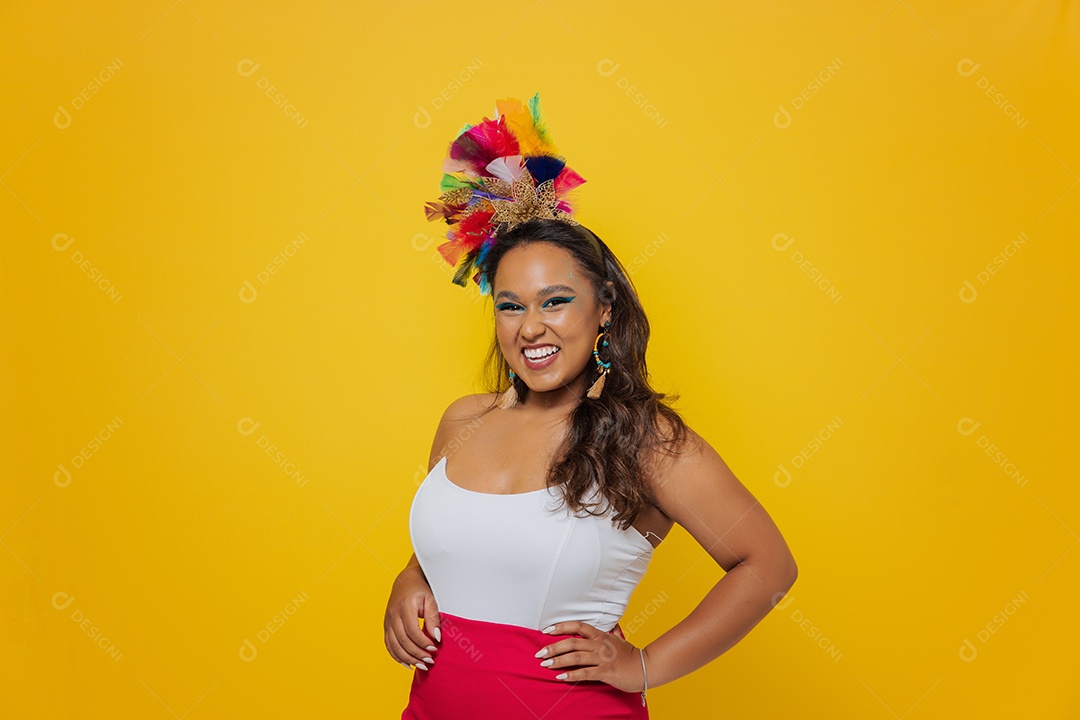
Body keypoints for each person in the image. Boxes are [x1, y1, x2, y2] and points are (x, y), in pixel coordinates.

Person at [386, 94, 798, 720]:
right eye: (511, 305)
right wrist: (410, 580)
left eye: (556, 301)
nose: (531, 328)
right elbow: (457, 546)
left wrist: (645, 665)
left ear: (604, 309)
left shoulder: (643, 439)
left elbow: (767, 566)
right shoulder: (463, 422)